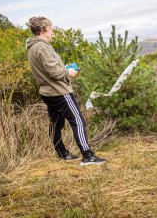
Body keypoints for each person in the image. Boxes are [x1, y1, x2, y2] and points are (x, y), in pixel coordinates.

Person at [26, 17, 106, 166]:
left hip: (47, 92)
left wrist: (64, 68)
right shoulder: (42, 47)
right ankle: (88, 156)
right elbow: (55, 73)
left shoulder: (33, 47)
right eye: (51, 30)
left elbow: (49, 70)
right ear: (43, 30)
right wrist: (68, 72)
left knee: (56, 123)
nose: (53, 33)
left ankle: (62, 153)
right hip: (59, 92)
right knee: (78, 120)